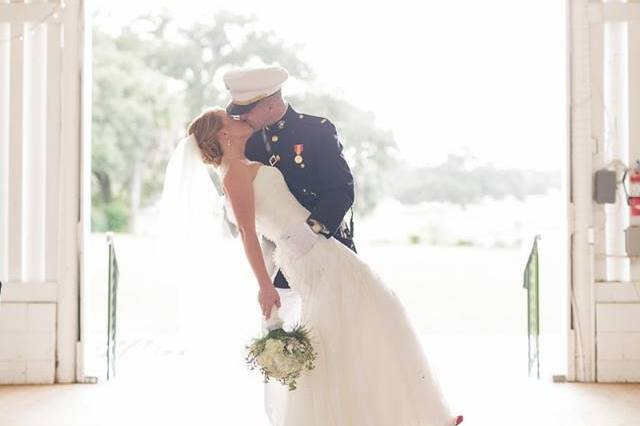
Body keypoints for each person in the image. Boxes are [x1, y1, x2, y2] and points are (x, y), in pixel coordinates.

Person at [172, 105, 463, 426]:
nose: (239, 118)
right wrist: (265, 286)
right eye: (231, 119)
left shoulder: (244, 164)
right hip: (306, 256)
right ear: (224, 134)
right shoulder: (235, 173)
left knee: (362, 320)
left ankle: (408, 416)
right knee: (370, 314)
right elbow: (247, 233)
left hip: (317, 249)